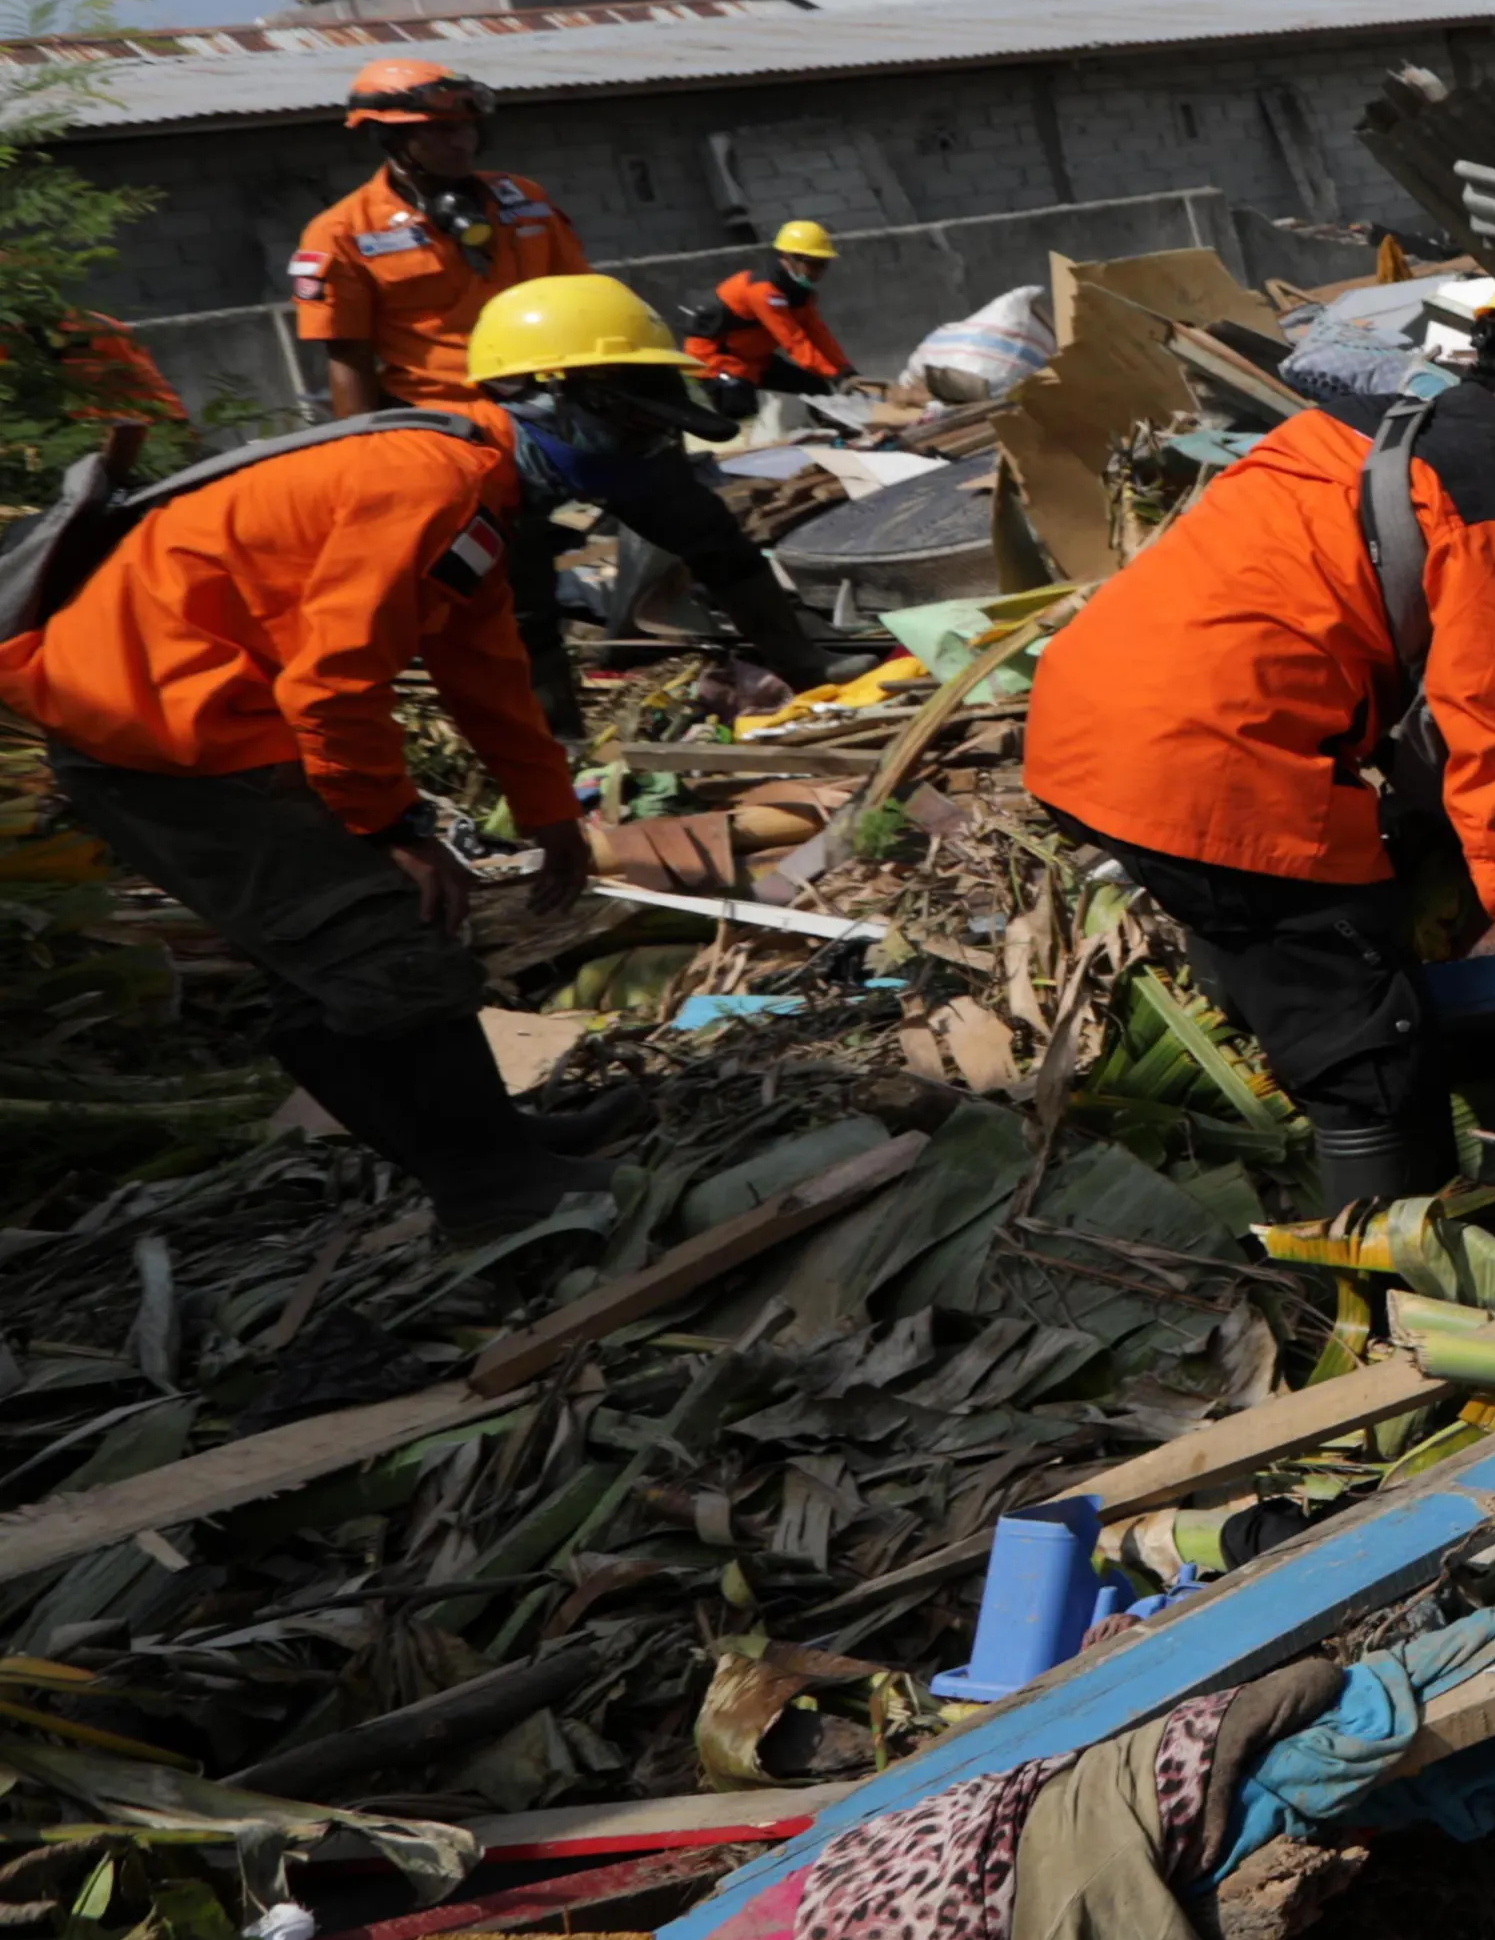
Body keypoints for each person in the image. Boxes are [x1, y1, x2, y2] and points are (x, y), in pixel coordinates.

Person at [0, 290, 718, 1231]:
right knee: (379, 941)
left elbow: (482, 664)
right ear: (550, 396)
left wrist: (550, 813)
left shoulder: (470, 482)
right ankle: (492, 1184)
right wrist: (395, 829)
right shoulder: (429, 480)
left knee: (336, 961)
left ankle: (493, 1144)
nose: (639, 452)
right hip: (159, 731)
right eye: (629, 422)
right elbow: (331, 690)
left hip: (184, 716)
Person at [1023, 254, 1495, 1205]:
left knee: (1285, 928)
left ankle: (1268, 1009)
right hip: (1204, 763)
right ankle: (1394, 1281)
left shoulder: (1365, 430)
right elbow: (1492, 724)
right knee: (1375, 1055)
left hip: (1082, 724)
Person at [479, 281, 869, 706]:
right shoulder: (461, 474)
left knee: (711, 532)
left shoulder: (625, 425)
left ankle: (800, 660)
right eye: (629, 423)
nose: (646, 439)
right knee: (523, 601)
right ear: (539, 396)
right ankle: (556, 733)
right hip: (515, 492)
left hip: (582, 407)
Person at [292, 62, 588, 414]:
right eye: (440, 131)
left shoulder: (526, 199)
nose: (461, 142)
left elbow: (584, 297)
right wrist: (363, 449)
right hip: (445, 420)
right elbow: (349, 359)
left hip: (562, 402)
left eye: (467, 129)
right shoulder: (341, 233)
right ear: (389, 137)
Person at [678, 221, 859, 402]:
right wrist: (832, 374)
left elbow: (818, 333)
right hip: (712, 359)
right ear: (789, 257)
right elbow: (793, 340)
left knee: (817, 388)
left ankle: (829, 427)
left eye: (824, 264)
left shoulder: (800, 293)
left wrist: (845, 370)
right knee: (738, 401)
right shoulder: (764, 291)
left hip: (754, 359)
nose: (819, 272)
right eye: (814, 264)